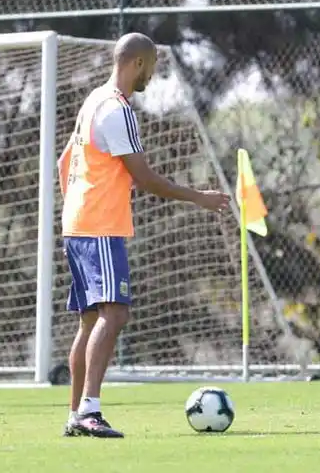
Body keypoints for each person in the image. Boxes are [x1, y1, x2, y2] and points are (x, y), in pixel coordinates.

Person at [58, 33, 230, 438]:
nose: (152, 75)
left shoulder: (93, 100)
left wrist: (78, 205)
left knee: (89, 322)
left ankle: (75, 415)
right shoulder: (117, 110)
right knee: (115, 314)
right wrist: (199, 197)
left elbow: (66, 160)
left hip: (79, 223)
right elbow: (146, 178)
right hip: (99, 226)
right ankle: (88, 411)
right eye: (152, 67)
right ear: (137, 63)